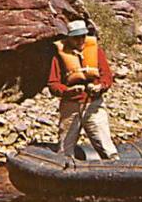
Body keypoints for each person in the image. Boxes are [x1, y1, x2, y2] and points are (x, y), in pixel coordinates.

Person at [47, 19, 119, 160]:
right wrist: (68, 91)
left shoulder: (95, 51)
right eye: (76, 37)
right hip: (70, 106)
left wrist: (100, 86)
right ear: (69, 38)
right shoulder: (59, 56)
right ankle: (65, 175)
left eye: (83, 36)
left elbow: (107, 77)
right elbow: (53, 83)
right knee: (65, 150)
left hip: (94, 105)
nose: (80, 40)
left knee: (106, 147)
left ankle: (115, 172)